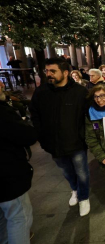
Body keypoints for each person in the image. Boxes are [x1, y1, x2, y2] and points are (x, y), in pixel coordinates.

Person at [29, 58, 90, 217]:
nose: (48, 74)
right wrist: (41, 135)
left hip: (76, 143)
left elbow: (89, 115)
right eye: (47, 71)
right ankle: (75, 190)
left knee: (82, 172)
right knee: (67, 172)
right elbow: (34, 114)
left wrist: (83, 136)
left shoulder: (80, 92)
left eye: (52, 71)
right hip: (53, 144)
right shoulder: (41, 92)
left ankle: (84, 197)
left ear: (65, 73)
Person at [0, 82, 37, 244]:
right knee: (19, 218)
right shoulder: (2, 113)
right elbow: (26, 136)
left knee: (3, 219)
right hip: (7, 177)